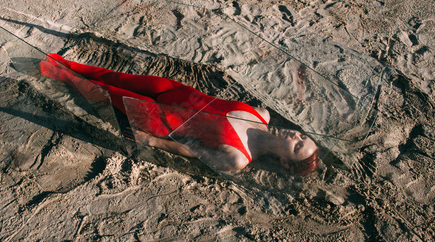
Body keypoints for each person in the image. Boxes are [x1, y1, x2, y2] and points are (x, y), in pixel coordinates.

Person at [40, 53, 320, 175]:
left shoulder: (238, 158)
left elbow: (190, 150)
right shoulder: (262, 115)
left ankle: (62, 75)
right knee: (118, 77)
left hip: (159, 118)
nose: (295, 135)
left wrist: (150, 141)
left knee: (105, 92)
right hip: (177, 91)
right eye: (302, 136)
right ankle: (65, 62)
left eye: (297, 146)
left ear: (284, 162)